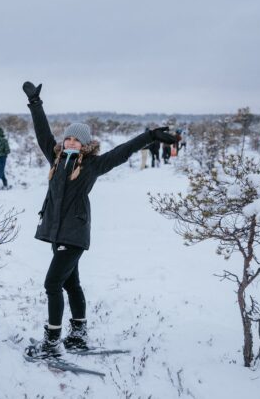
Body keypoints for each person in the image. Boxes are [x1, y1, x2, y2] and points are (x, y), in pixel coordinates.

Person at [21, 81, 176, 358]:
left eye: (76, 140)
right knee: (71, 284)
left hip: (74, 235)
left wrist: (149, 136)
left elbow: (122, 152)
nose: (70, 142)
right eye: (68, 138)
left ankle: (52, 343)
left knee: (52, 285)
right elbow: (42, 132)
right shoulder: (55, 160)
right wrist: (35, 103)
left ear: (85, 144)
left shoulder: (93, 165)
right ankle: (78, 336)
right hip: (57, 234)